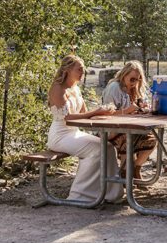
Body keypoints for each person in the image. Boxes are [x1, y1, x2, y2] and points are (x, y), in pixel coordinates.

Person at [46, 55, 122, 203]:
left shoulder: (76, 88)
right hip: (60, 135)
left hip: (74, 133)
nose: (83, 72)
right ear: (67, 69)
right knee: (97, 150)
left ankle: (110, 193)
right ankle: (80, 195)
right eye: (79, 69)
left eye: (83, 69)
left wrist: (104, 112)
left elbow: (84, 114)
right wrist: (96, 112)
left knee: (108, 147)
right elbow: (68, 118)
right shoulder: (57, 88)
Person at [102, 61, 158, 181]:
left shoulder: (136, 88)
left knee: (152, 140)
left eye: (138, 79)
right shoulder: (114, 88)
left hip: (130, 128)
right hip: (112, 130)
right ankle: (126, 174)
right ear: (124, 75)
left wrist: (143, 108)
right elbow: (105, 113)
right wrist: (128, 110)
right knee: (128, 140)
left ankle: (135, 168)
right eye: (132, 79)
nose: (135, 83)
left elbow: (138, 107)